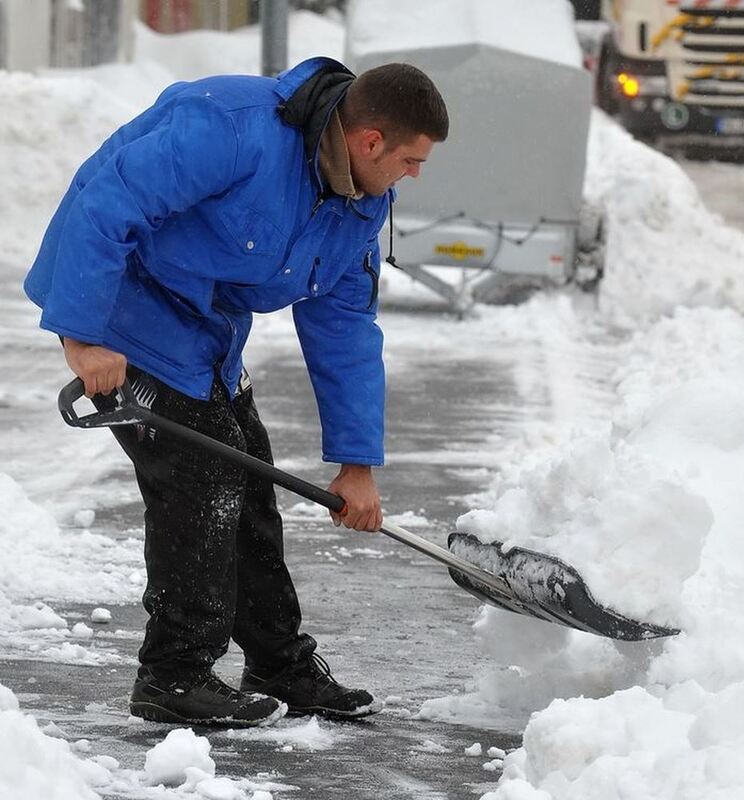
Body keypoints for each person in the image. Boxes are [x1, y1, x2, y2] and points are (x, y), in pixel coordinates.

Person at [24, 56, 448, 727]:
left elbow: (344, 330)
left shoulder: (360, 206)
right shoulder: (234, 129)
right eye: (412, 160)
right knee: (205, 482)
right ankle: (174, 674)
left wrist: (358, 464)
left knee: (247, 477)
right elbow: (108, 199)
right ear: (371, 142)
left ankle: (279, 661)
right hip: (123, 308)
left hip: (205, 331)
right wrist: (81, 337)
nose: (414, 175)